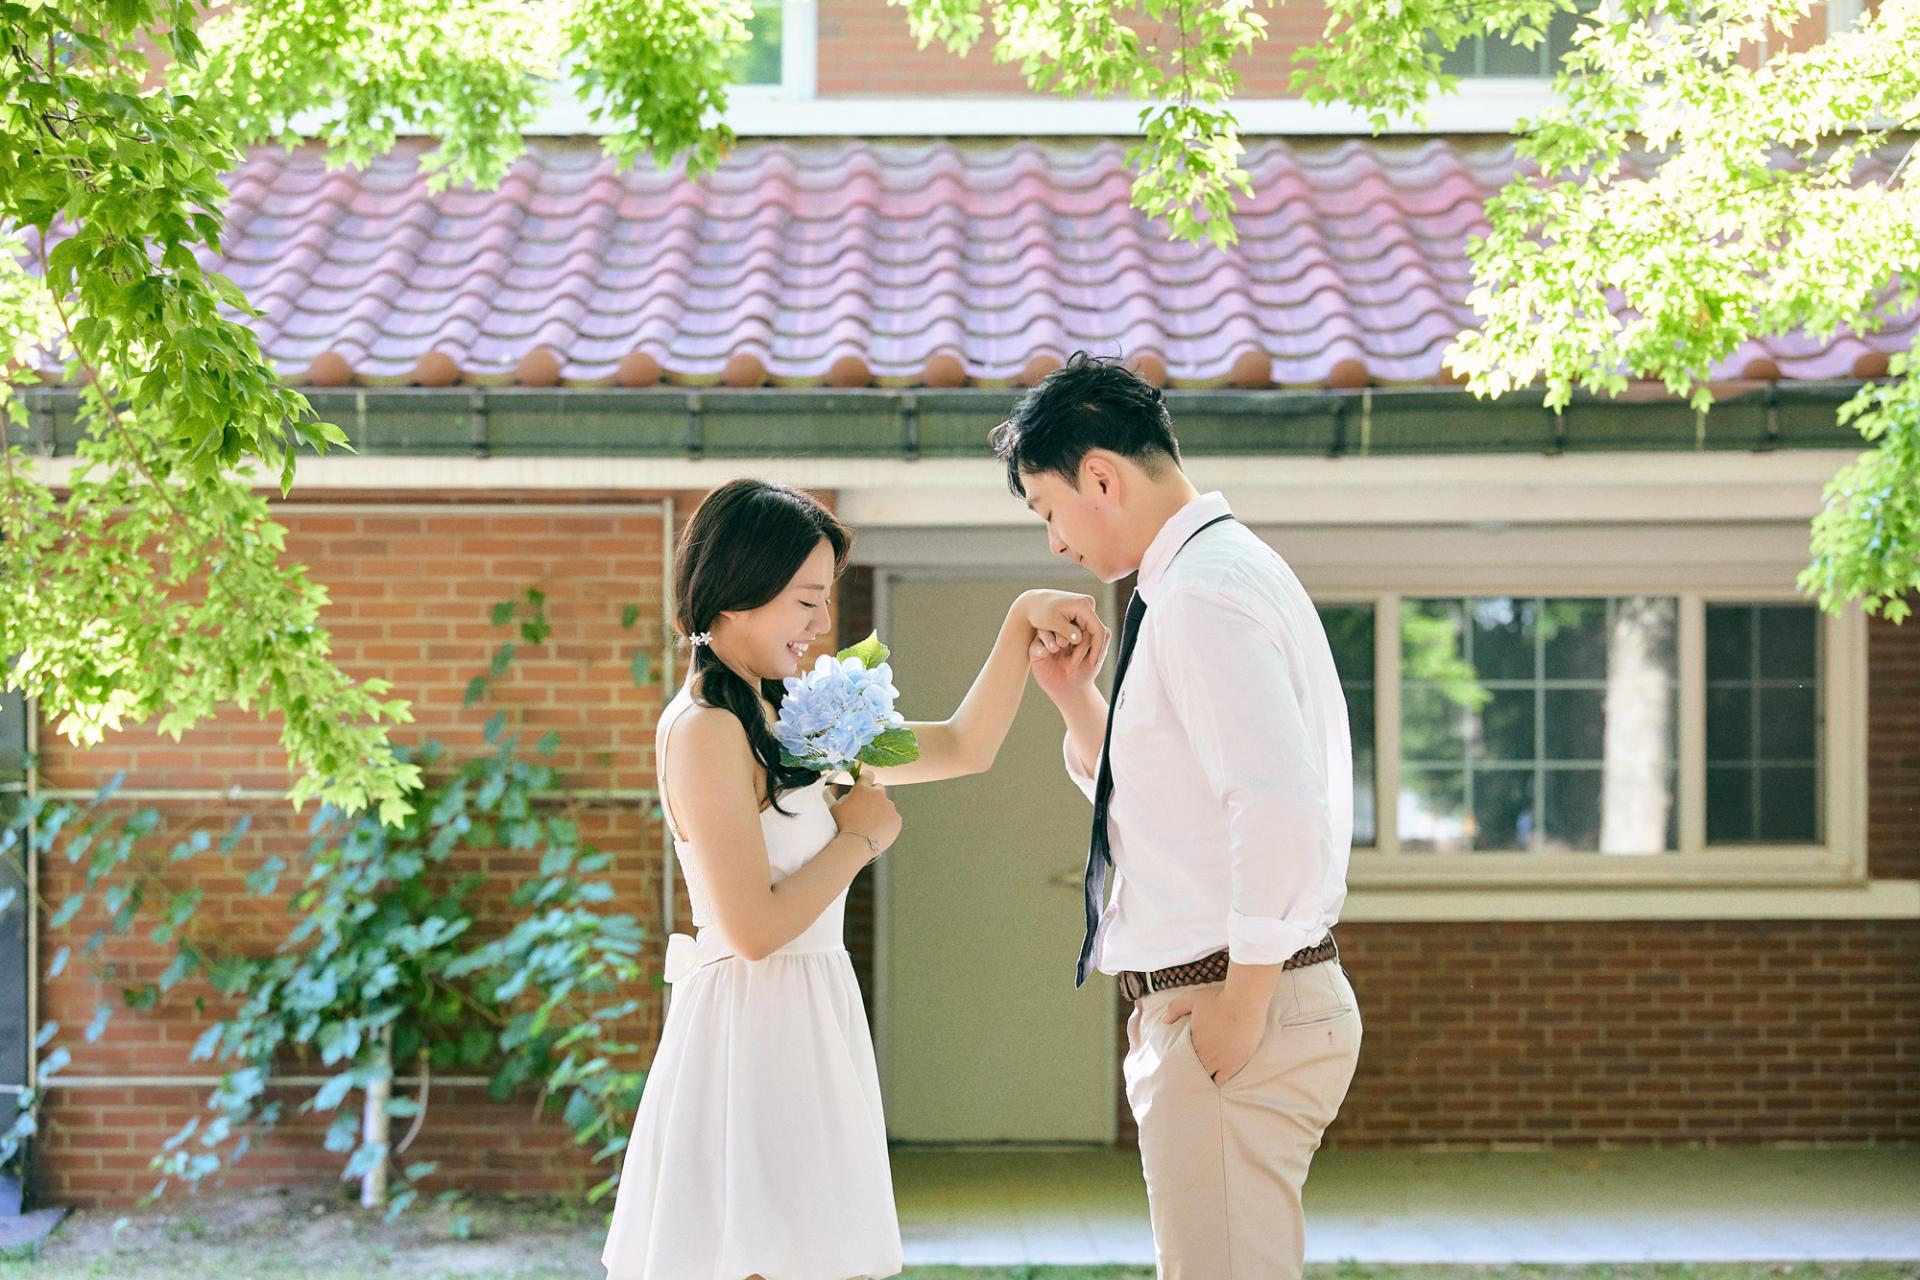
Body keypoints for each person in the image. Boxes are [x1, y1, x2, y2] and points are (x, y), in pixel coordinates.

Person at [601, 477, 1104, 1280]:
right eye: (806, 601)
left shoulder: (786, 718)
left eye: (824, 600)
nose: (822, 624)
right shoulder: (705, 728)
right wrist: (859, 839)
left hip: (808, 1012)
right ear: (738, 591)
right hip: (751, 1030)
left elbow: (964, 747)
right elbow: (754, 932)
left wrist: (1020, 626)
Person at [999, 353, 1362, 1280]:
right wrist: (1076, 699)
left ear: (1100, 477)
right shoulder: (1210, 575)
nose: (1056, 543)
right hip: (1232, 998)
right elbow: (1174, 801)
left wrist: (1240, 1008)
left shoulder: (1202, 591)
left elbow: (1277, 805)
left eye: (1047, 510)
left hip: (1237, 1001)